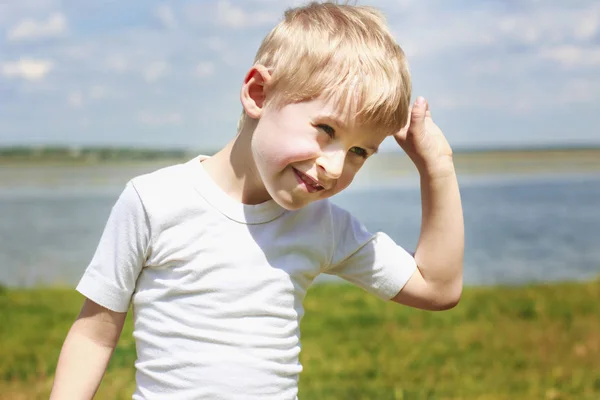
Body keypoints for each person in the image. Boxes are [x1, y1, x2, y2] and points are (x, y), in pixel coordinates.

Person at [50, 1, 464, 399]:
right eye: (326, 130)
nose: (335, 168)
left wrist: (438, 168)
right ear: (259, 93)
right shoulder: (153, 202)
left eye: (359, 152)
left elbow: (437, 287)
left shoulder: (322, 226)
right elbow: (94, 335)